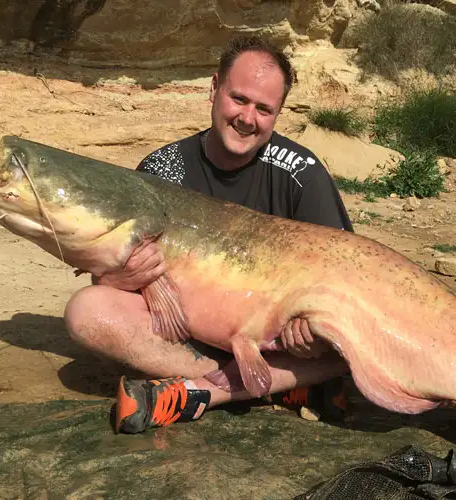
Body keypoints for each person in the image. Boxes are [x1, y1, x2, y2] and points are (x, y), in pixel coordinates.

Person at [63, 35, 353, 434]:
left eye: (264, 109)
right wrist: (118, 277)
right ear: (214, 89)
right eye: (239, 99)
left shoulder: (302, 173)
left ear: (278, 112)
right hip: (196, 338)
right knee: (87, 312)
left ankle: (208, 392)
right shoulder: (162, 170)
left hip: (280, 344)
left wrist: (312, 334)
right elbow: (110, 280)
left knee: (352, 340)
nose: (248, 118)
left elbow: (345, 277)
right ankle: (279, 385)